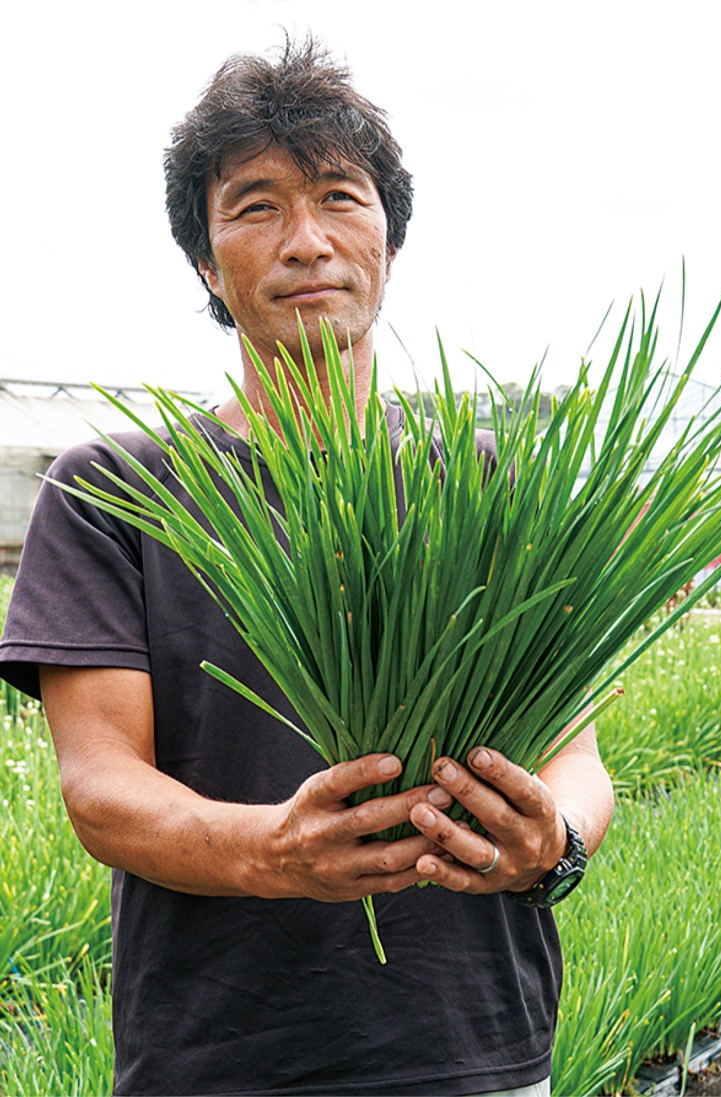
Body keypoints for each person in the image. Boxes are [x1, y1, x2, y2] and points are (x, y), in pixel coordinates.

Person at [0, 35, 613, 1097]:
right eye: (256, 207)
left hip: (477, 1045)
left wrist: (553, 841)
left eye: (340, 198)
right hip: (219, 1057)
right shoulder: (115, 493)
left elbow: (577, 759)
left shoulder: (491, 483)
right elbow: (100, 787)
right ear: (207, 263)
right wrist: (273, 850)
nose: (307, 242)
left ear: (390, 241)